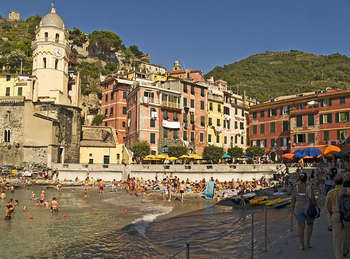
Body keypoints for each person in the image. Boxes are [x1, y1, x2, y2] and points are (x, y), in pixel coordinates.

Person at [326, 175, 350, 259]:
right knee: (347, 235)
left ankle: (338, 256)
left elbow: (328, 207)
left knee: (337, 238)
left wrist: (332, 214)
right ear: (343, 182)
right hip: (347, 215)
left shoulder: (330, 193)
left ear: (334, 182)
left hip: (336, 214)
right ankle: (345, 250)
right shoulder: (348, 191)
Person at [291, 172, 317, 250]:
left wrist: (292, 210)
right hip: (308, 208)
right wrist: (316, 206)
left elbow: (293, 199)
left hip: (298, 208)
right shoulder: (309, 187)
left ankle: (301, 245)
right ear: (306, 179)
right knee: (310, 225)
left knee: (300, 227)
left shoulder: (296, 187)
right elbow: (312, 199)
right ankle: (308, 243)